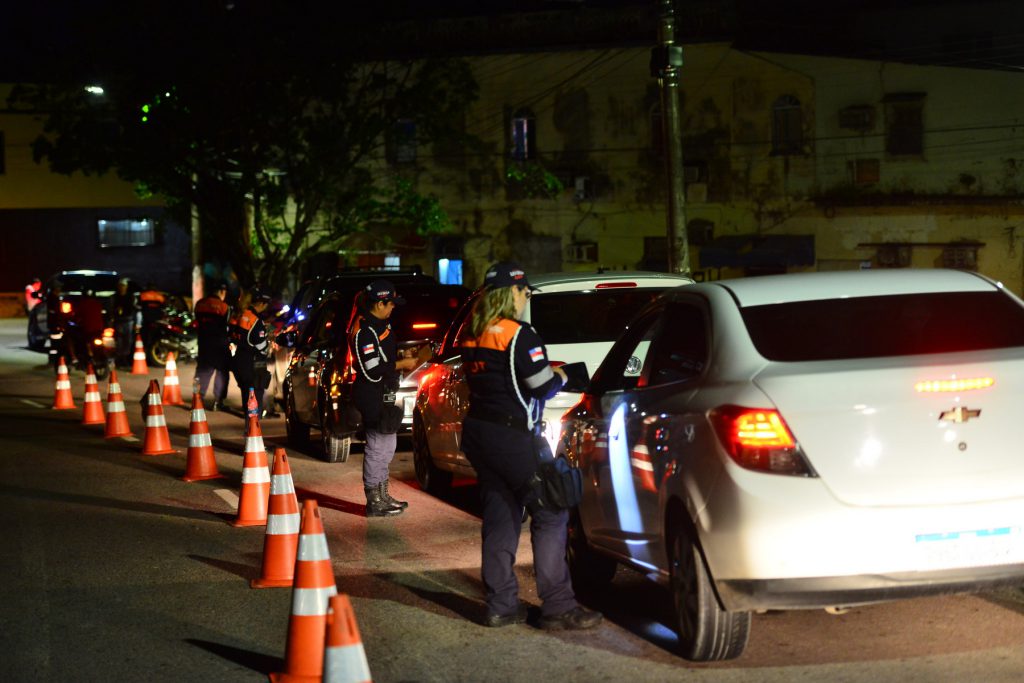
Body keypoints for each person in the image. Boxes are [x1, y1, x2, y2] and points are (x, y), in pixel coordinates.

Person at [458, 262, 602, 630]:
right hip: (514, 439)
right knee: (551, 511)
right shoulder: (519, 334)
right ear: (513, 293)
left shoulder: (472, 333)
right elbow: (541, 386)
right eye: (525, 292)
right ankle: (558, 606)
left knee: (501, 516)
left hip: (480, 435)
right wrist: (564, 374)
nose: (527, 299)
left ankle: (501, 605)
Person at [348, 280, 418, 517]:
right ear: (379, 303)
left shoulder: (381, 326)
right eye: (391, 303)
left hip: (384, 393)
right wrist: (402, 363)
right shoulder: (365, 331)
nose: (393, 307)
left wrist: (401, 356)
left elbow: (384, 357)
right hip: (371, 394)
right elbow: (372, 369)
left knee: (388, 446)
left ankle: (383, 494)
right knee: (377, 447)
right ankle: (374, 500)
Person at [230, 289, 271, 413]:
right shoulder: (255, 320)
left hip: (239, 359)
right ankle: (253, 422)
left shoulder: (239, 314)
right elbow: (261, 346)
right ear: (262, 304)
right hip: (252, 363)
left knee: (245, 393)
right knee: (255, 395)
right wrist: (268, 346)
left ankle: (248, 421)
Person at [194, 282, 231, 411]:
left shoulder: (199, 304)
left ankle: (196, 400)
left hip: (203, 343)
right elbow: (227, 326)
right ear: (222, 292)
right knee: (222, 372)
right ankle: (218, 402)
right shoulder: (224, 307)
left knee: (200, 373)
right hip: (219, 344)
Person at [110, 278, 140, 367]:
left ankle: (125, 358)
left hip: (128, 321)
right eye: (121, 286)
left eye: (124, 286)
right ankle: (119, 358)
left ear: (126, 287)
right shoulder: (114, 297)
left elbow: (135, 309)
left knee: (128, 341)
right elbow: (111, 309)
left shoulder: (131, 297)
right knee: (119, 341)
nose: (122, 287)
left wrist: (136, 323)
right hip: (118, 321)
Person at [138, 282, 167, 352]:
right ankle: (155, 351)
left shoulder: (143, 295)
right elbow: (164, 307)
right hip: (157, 320)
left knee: (145, 337)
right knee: (156, 337)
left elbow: (139, 305)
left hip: (147, 320)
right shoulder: (160, 296)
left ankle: (145, 350)